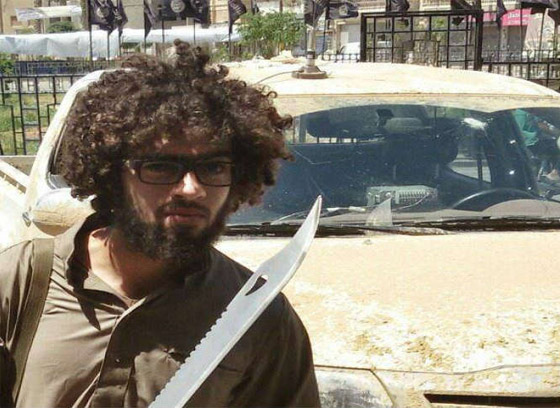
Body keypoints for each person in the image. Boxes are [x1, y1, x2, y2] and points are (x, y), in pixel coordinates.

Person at [0, 40, 320, 407]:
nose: (191, 189)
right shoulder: (22, 279)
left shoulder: (257, 317)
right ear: (112, 175)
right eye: (160, 167)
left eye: (214, 167)